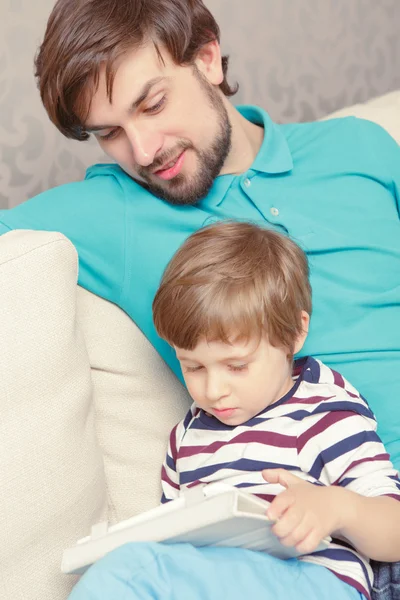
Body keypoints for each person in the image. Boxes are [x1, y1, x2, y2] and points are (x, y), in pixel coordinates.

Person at [0, 0, 399, 596]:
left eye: (152, 103)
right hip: (321, 555)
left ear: (207, 58)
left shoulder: (360, 150)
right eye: (108, 133)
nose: (142, 150)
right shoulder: (115, 212)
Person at [69, 221, 400, 600]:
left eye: (237, 366)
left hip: (313, 581)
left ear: (294, 332)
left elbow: (395, 531)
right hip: (217, 582)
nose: (213, 391)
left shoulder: (324, 412)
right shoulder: (187, 436)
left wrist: (339, 508)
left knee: (130, 573)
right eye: (193, 367)